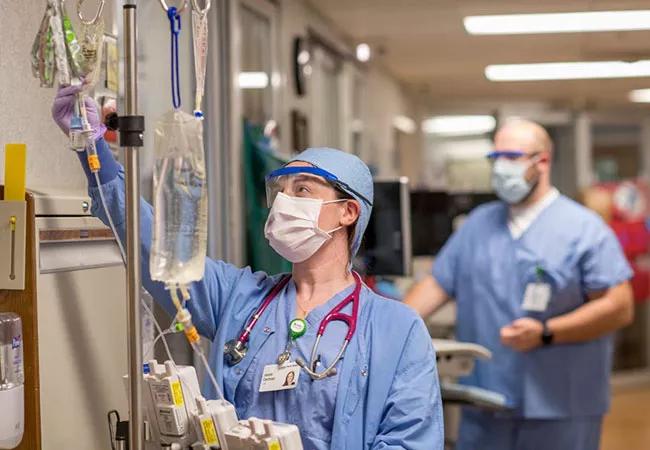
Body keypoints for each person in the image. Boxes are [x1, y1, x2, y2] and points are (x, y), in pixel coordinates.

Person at [52, 84, 443, 450]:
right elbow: (148, 239)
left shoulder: (396, 330)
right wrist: (92, 150)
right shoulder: (239, 297)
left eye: (302, 189)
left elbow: (410, 441)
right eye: (280, 191)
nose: (283, 203)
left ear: (347, 212)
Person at [405, 118, 634, 450]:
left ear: (542, 161)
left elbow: (619, 307)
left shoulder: (584, 229)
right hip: (486, 402)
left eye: (510, 157)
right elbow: (435, 287)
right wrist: (385, 327)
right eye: (495, 158)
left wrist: (547, 332)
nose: (500, 167)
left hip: (561, 406)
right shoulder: (477, 225)